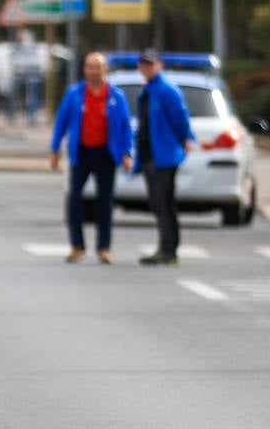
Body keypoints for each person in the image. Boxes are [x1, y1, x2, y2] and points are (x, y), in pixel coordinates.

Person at [50, 52, 134, 264]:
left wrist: (127, 152)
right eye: (89, 67)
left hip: (106, 152)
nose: (94, 71)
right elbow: (61, 122)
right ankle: (77, 245)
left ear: (105, 70)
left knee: (105, 202)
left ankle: (104, 247)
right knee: (75, 199)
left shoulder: (116, 95)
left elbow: (126, 127)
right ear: (84, 70)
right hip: (82, 153)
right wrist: (54, 150)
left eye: (98, 67)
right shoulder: (75, 93)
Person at [133, 49, 195, 266]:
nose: (146, 68)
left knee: (164, 203)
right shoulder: (147, 90)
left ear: (159, 65)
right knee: (157, 204)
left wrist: (185, 138)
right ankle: (163, 247)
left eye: (150, 64)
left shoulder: (166, 89)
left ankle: (170, 250)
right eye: (143, 64)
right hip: (150, 155)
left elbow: (180, 117)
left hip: (165, 156)